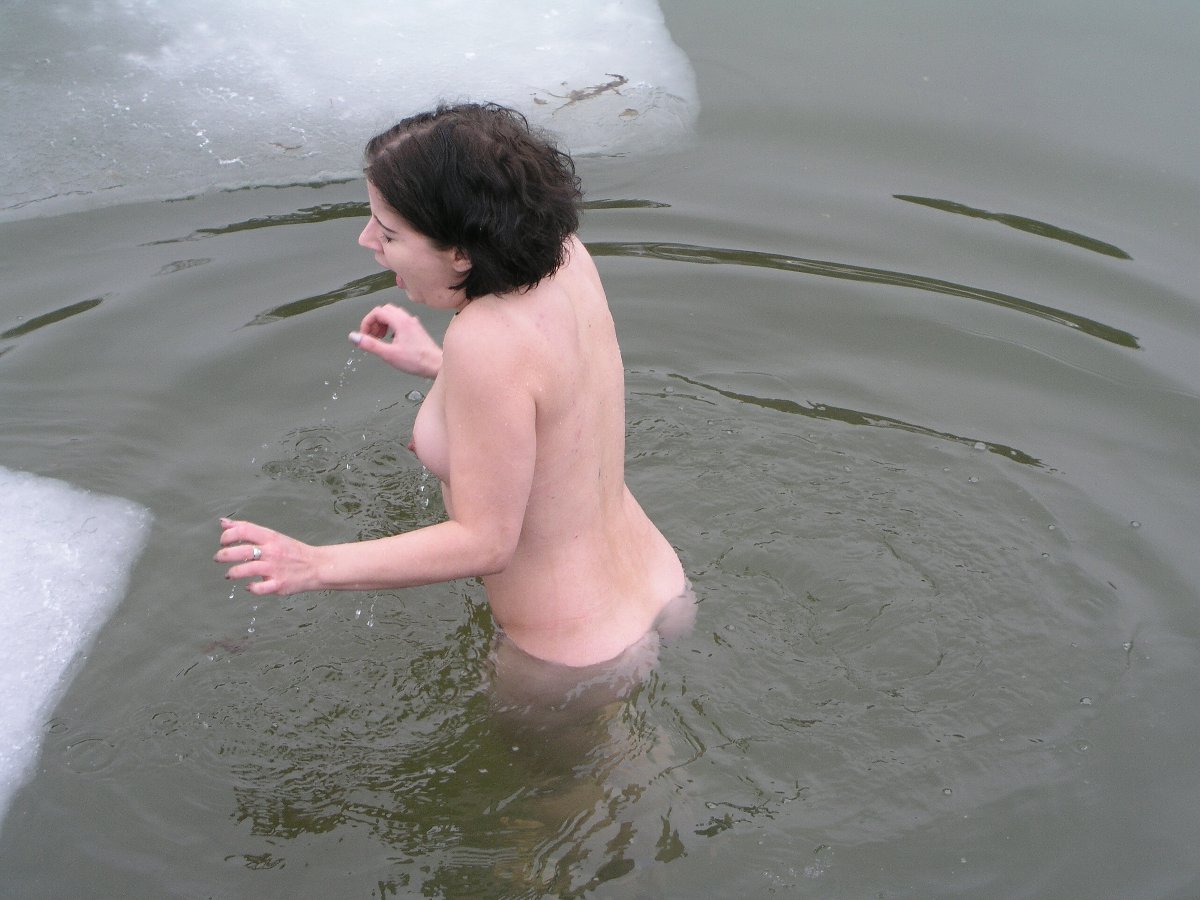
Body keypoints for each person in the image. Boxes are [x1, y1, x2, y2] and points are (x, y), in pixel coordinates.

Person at [216, 102, 690, 669]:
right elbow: (554, 396)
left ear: (463, 252)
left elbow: (486, 543)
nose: (367, 240)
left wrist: (314, 565)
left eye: (388, 232)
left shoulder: (486, 340)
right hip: (660, 584)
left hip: (568, 651)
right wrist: (439, 365)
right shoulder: (565, 257)